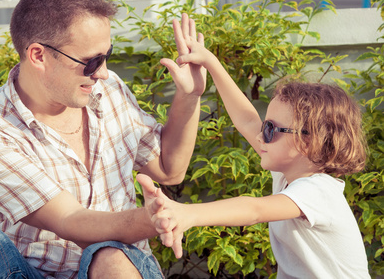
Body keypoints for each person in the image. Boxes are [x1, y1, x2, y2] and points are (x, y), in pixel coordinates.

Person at [0, 0, 206, 278]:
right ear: (38, 55)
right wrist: (152, 220)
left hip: (118, 265)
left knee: (110, 257)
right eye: (92, 61)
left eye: (107, 55)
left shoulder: (109, 89)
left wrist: (190, 96)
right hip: (29, 271)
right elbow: (71, 220)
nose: (103, 72)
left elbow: (170, 170)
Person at [138, 16, 371, 278]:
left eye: (271, 129)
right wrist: (210, 62)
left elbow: (254, 210)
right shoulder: (289, 173)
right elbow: (248, 120)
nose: (261, 136)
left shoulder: (318, 191)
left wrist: (187, 214)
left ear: (308, 141)